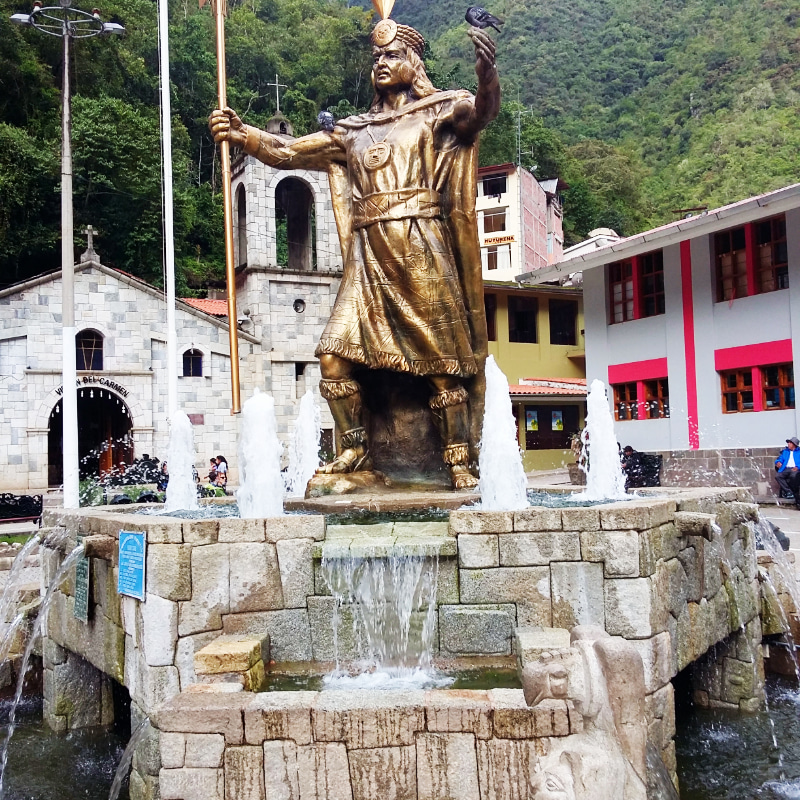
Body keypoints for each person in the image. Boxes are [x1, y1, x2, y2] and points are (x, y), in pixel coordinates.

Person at [210, 5, 500, 490]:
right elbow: (287, 152)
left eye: (393, 55)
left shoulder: (439, 110)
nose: (381, 63)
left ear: (414, 63)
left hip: (422, 247)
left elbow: (482, 114)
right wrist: (245, 135)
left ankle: (457, 458)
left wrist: (487, 74)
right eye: (376, 58)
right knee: (333, 357)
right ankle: (354, 448)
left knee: (441, 364)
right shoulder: (353, 129)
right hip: (368, 262)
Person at [775, 437, 800, 502]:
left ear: (794, 444)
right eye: (788, 442)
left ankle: (794, 492)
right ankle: (789, 492)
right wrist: (778, 462)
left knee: (793, 476)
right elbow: (780, 459)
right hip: (786, 468)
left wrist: (798, 467)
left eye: (790, 443)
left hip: (795, 469)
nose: (788, 444)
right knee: (778, 476)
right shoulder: (785, 451)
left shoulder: (799, 452)